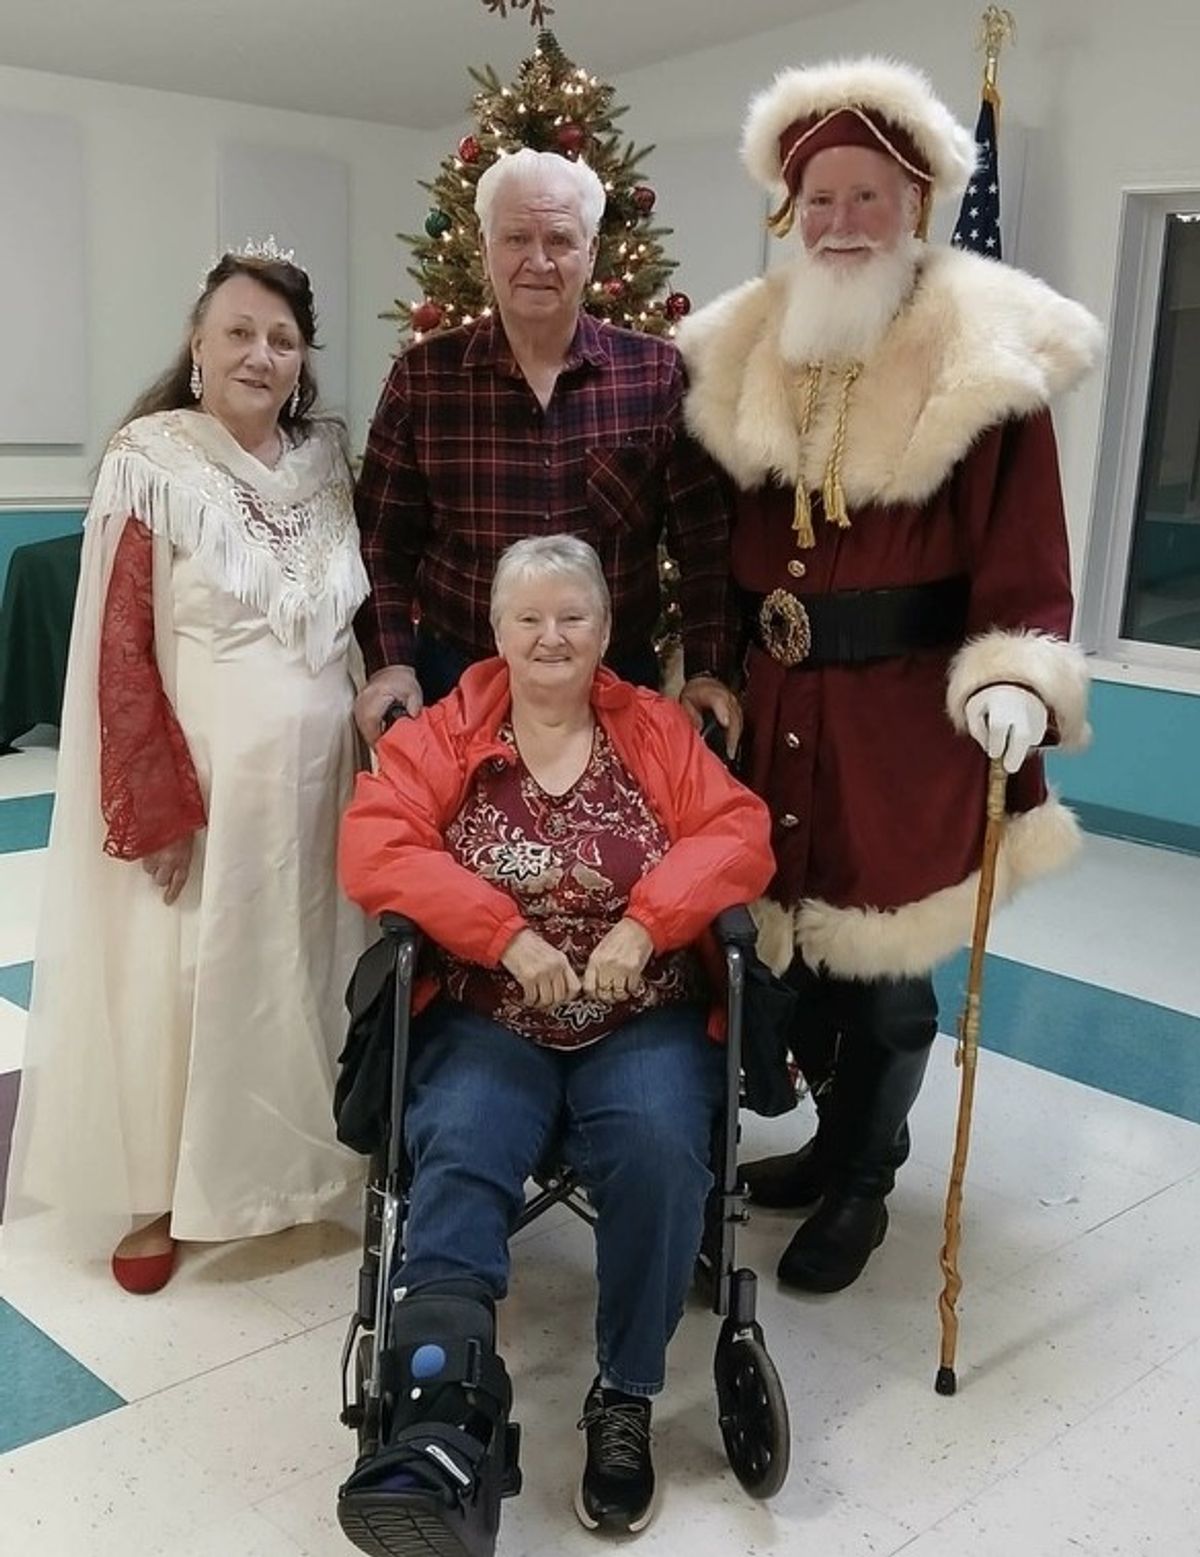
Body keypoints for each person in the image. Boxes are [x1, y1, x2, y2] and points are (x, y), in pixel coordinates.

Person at [676, 58, 1103, 1294]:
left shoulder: (983, 355)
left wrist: (1017, 672)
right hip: (774, 705)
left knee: (885, 973)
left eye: (866, 196)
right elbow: (706, 540)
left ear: (914, 202)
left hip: (908, 717)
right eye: (819, 200)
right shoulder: (745, 348)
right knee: (790, 951)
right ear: (789, 212)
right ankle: (830, 1145)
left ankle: (864, 1181)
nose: (842, 222)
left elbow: (1027, 552)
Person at [337, 534, 773, 1540]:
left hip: (642, 1015)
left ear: (606, 630)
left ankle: (624, 1396)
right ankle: (440, 1417)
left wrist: (647, 923)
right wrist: (503, 933)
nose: (550, 636)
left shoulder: (655, 730)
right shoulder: (444, 733)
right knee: (461, 1137)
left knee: (661, 1148)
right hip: (491, 1014)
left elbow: (737, 832)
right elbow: (376, 844)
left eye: (572, 616)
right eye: (528, 617)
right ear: (495, 631)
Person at [5, 246, 369, 1293]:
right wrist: (153, 797)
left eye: (283, 340)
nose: (262, 354)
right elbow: (120, 642)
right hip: (206, 783)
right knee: (185, 980)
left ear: (303, 361)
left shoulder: (326, 463)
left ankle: (291, 1172)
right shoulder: (152, 458)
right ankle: (156, 1192)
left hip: (322, 785)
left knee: (298, 973)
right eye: (239, 332)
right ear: (197, 345)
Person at [352, 146, 740, 752]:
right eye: (516, 239)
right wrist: (391, 664)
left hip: (615, 687)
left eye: (560, 240)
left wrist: (707, 668)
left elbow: (705, 541)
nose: (538, 261)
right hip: (458, 684)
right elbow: (380, 542)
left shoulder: (656, 374)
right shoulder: (423, 379)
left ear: (592, 252)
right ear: (484, 248)